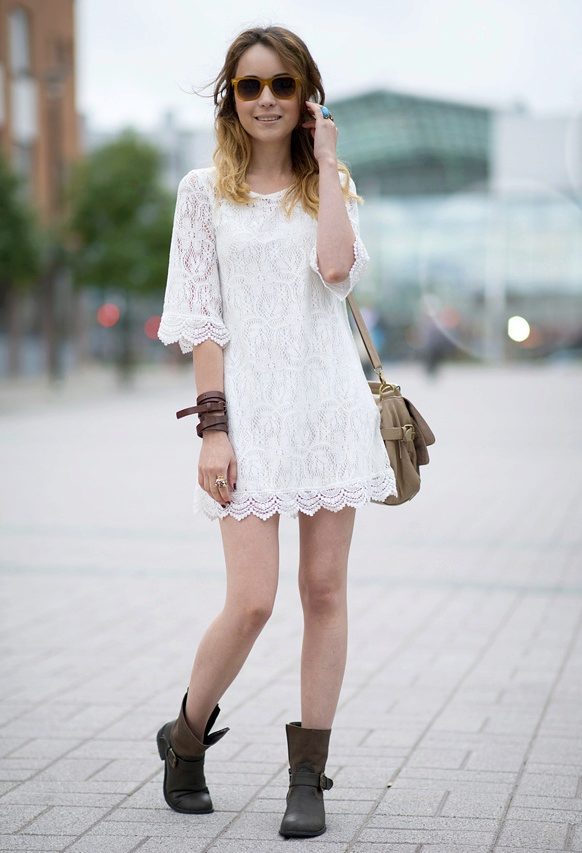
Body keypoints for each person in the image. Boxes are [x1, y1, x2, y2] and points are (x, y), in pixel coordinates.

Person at [156, 25, 397, 839]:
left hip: (327, 410)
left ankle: (307, 775)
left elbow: (335, 270)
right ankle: (185, 738)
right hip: (248, 416)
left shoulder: (330, 183)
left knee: (324, 591)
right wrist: (213, 431)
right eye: (250, 85)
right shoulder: (202, 192)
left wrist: (326, 163)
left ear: (306, 98)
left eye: (282, 85)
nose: (266, 100)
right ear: (231, 97)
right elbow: (202, 321)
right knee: (252, 599)